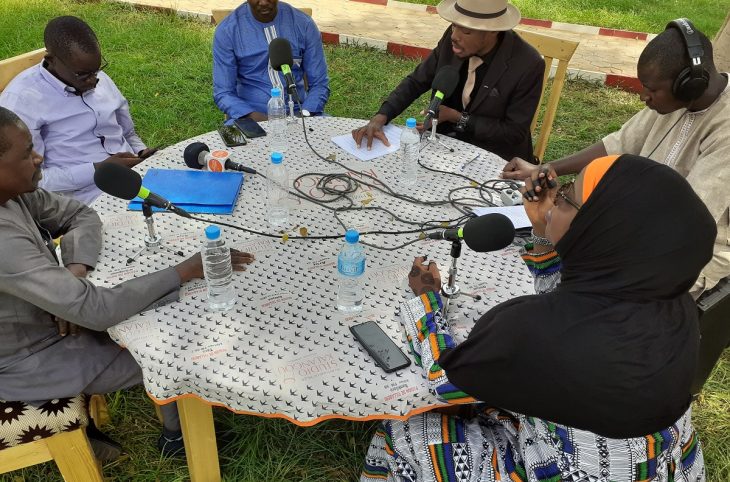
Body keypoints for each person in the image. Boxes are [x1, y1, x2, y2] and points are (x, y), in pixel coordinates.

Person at [362, 154, 715, 481]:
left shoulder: (532, 331)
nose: (553, 201)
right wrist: (547, 229)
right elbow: (574, 299)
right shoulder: (672, 304)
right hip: (659, 462)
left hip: (575, 470)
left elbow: (447, 379)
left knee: (408, 431)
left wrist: (427, 304)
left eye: (565, 199)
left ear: (599, 228)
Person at [0, 107, 255, 457]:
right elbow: (96, 310)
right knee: (174, 348)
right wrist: (185, 270)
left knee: (164, 303)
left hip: (59, 315)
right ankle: (179, 438)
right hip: (29, 357)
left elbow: (79, 213)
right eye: (27, 152)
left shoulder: (13, 192)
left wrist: (72, 273)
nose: (39, 157)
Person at [502, 18, 729, 299]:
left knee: (580, 289)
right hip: (634, 228)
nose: (644, 96)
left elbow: (688, 217)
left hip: (684, 256)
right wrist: (547, 168)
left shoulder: (725, 129)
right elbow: (618, 144)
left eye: (652, 89)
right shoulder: (673, 100)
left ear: (688, 84)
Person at [352, 0, 544, 161]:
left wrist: (457, 118)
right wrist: (381, 116)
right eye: (454, 25)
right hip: (443, 149)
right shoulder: (452, 40)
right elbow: (417, 81)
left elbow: (513, 132)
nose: (454, 36)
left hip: (496, 159)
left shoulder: (528, 64)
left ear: (493, 31)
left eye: (466, 31)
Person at [0, 16, 155, 206]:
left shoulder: (96, 76)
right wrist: (97, 169)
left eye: (96, 71)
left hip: (137, 177)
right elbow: (33, 180)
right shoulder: (22, 101)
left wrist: (141, 151)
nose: (93, 81)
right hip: (87, 198)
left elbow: (128, 133)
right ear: (51, 61)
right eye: (83, 75)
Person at [213, 0, 330, 121]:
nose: (263, 2)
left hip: (300, 114)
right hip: (251, 117)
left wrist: (304, 114)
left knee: (332, 136)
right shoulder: (227, 31)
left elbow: (319, 84)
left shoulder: (304, 24)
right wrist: (258, 119)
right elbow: (224, 93)